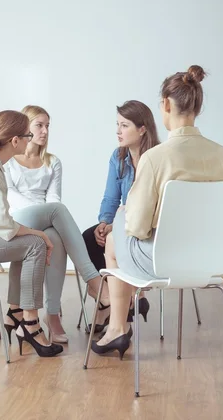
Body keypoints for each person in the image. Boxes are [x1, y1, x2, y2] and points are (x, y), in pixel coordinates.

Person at [0, 110, 108, 358]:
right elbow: (2, 224)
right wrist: (39, 234)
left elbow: (1, 222)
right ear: (15, 141)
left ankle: (18, 313)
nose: (32, 138)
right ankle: (31, 323)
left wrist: (39, 233)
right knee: (35, 244)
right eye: (27, 134)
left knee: (35, 240)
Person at [91, 66, 223, 358]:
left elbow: (138, 227)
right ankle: (122, 317)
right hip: (206, 262)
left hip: (161, 262)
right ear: (196, 106)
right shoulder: (221, 154)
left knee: (116, 235)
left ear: (166, 106)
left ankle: (117, 328)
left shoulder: (155, 158)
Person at [5, 105, 109, 343]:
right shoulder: (9, 162)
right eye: (39, 125)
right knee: (56, 213)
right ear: (25, 128)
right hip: (19, 219)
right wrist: (41, 212)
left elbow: (53, 199)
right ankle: (93, 280)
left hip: (48, 218)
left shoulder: (52, 162)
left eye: (47, 126)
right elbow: (12, 198)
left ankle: (52, 315)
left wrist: (45, 215)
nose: (45, 131)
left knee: (55, 237)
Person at [82, 100, 160, 331]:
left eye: (124, 125)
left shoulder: (157, 158)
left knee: (116, 241)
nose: (118, 131)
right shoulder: (118, 157)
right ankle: (117, 304)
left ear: (142, 128)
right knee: (89, 238)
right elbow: (110, 198)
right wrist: (104, 223)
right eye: (117, 124)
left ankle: (119, 306)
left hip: (147, 228)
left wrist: (120, 219)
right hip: (124, 223)